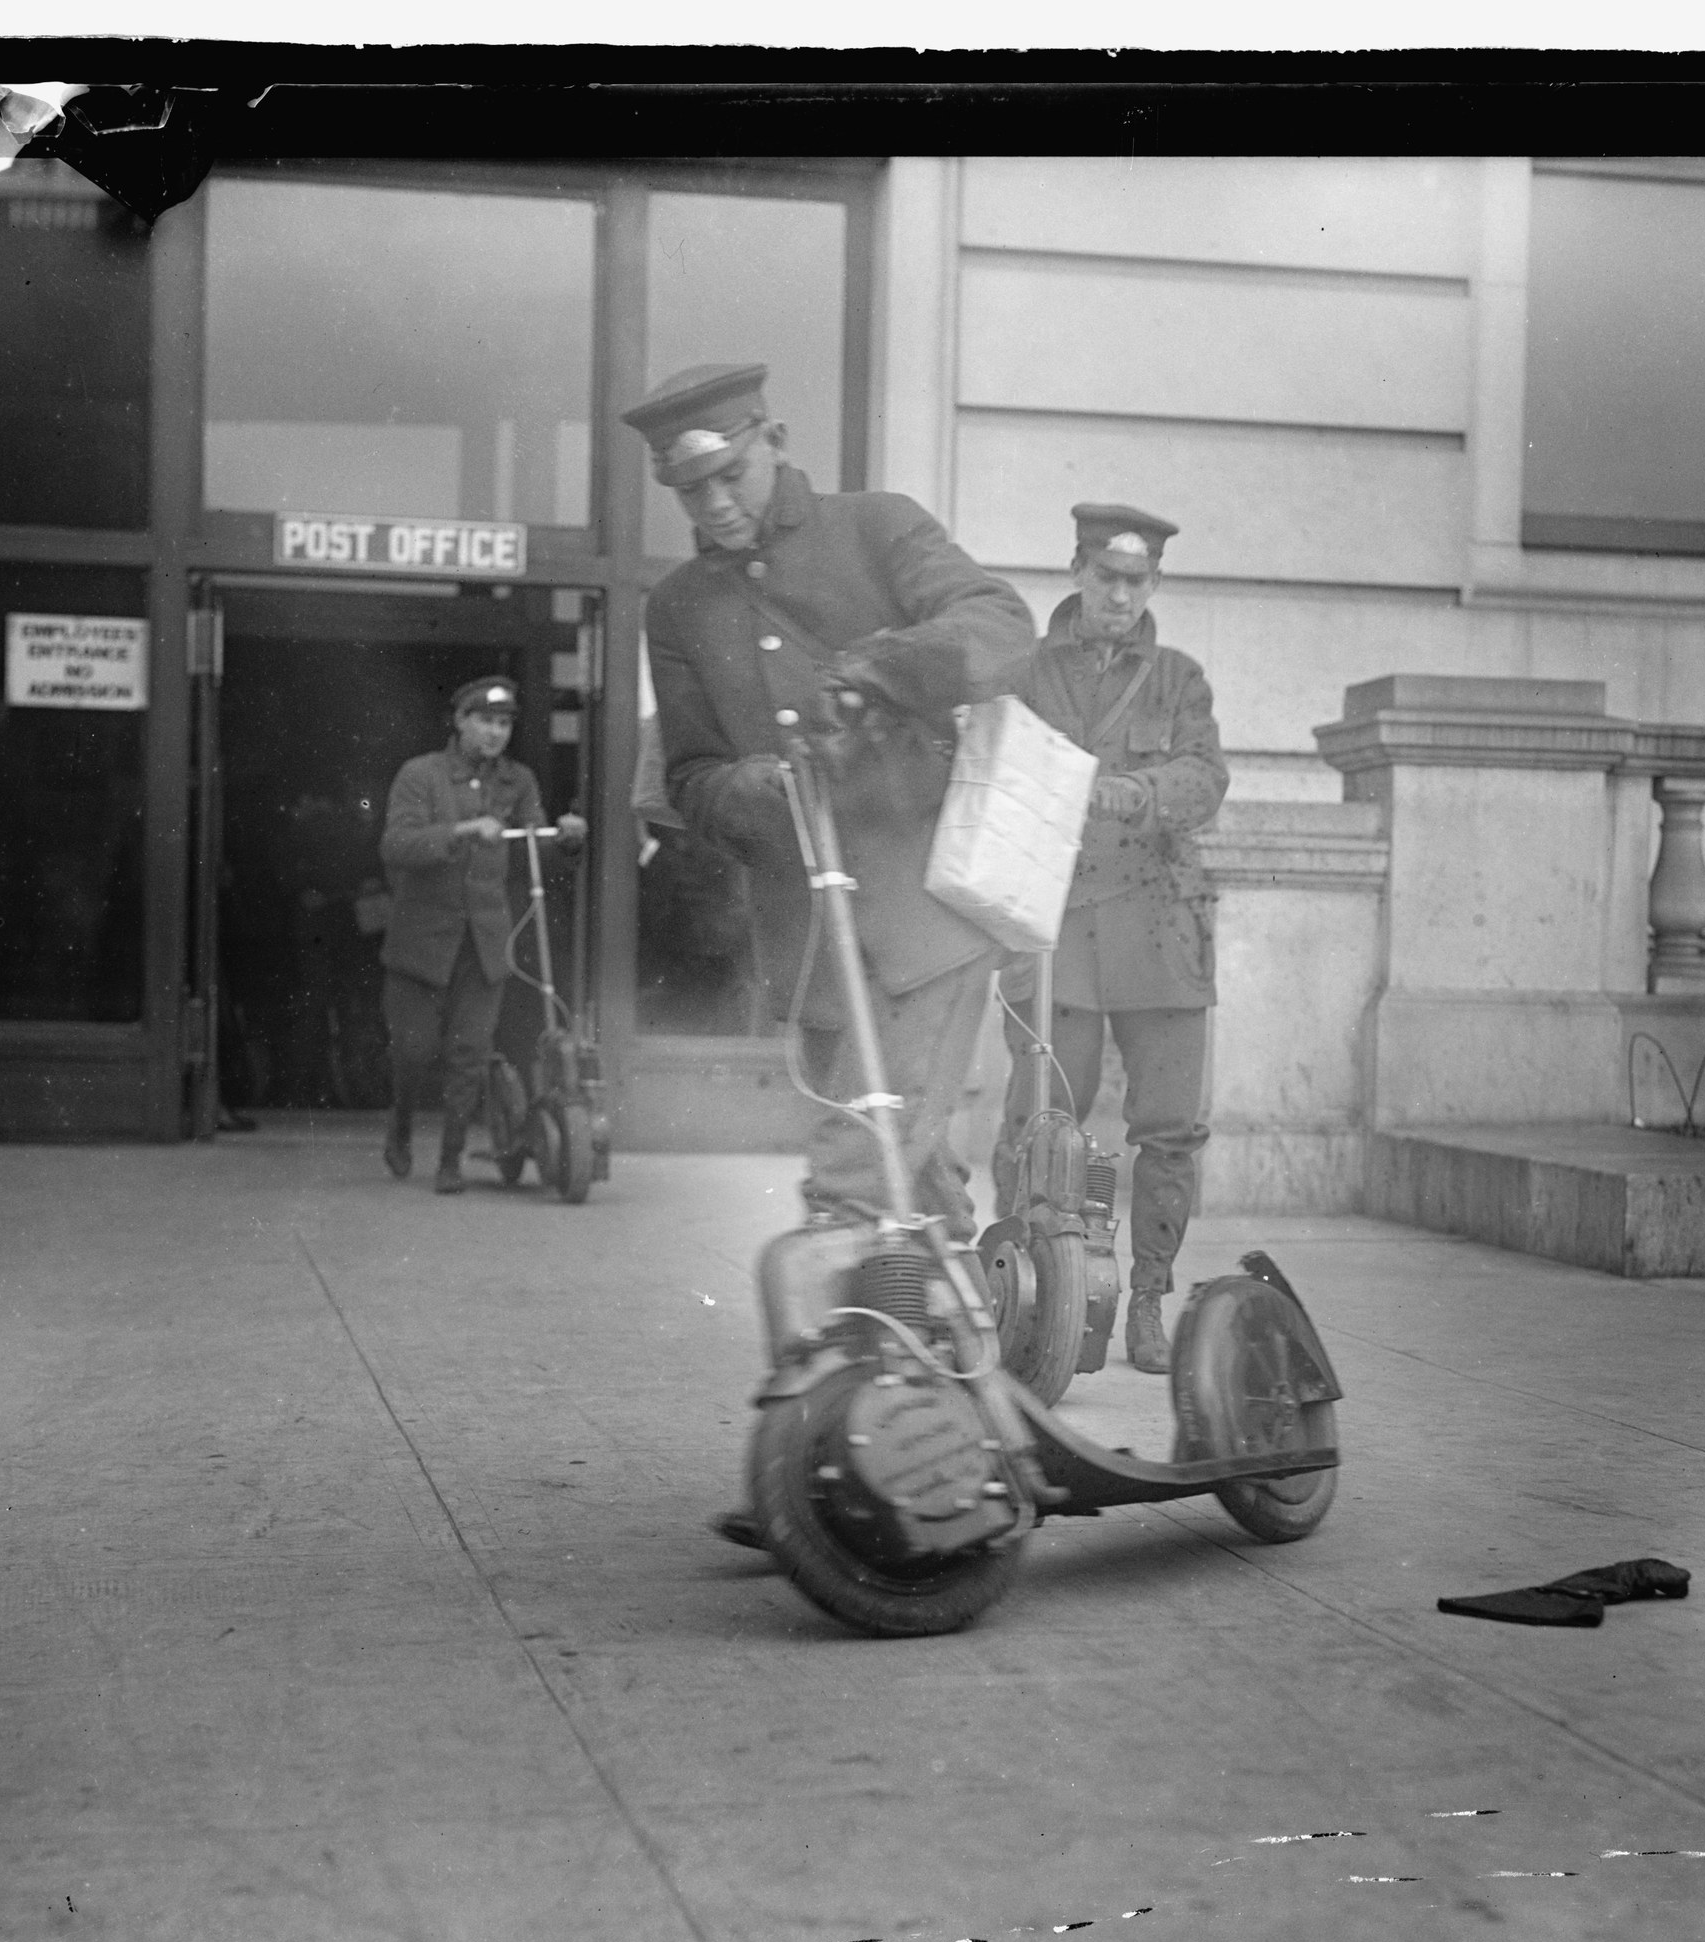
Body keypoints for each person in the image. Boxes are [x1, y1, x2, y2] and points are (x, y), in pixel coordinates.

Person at [629, 361, 1036, 1236]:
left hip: (929, 907)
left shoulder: (876, 526)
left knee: (854, 1174)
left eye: (728, 477)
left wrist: (877, 671)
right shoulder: (677, 608)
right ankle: (954, 1344)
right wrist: (762, 788)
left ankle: (854, 1347)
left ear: (773, 440)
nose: (715, 508)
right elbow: (690, 777)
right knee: (909, 1174)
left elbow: (999, 625)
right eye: (690, 494)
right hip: (813, 934)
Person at [988, 504, 1228, 1375]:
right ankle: (1026, 1286)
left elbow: (1205, 776)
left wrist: (1142, 792)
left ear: (1153, 583)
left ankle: (1150, 1299)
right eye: (1106, 577)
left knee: (1167, 1129)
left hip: (1160, 924)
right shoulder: (1028, 673)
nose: (1120, 595)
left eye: (1137, 581)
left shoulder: (1178, 679)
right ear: (1079, 572)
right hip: (1059, 926)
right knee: (1040, 1117)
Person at [376, 676, 584, 1194]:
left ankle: (451, 1160)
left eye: (504, 723)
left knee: (470, 1050)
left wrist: (565, 840)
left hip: (486, 941)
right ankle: (400, 1123)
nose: (495, 733)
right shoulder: (421, 775)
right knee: (414, 1051)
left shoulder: (519, 781)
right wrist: (461, 833)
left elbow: (530, 850)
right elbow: (396, 845)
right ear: (460, 721)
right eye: (485, 720)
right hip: (422, 941)